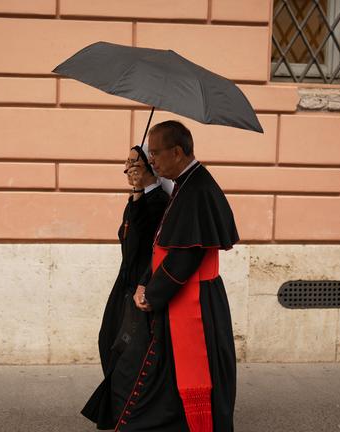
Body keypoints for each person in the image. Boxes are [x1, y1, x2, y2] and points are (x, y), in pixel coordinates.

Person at [114, 120, 240, 431]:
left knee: (193, 373)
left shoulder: (198, 189)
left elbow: (186, 255)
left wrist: (153, 295)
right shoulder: (187, 184)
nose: (151, 160)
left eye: (155, 153)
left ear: (178, 151)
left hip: (195, 300)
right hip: (181, 294)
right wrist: (146, 281)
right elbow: (162, 243)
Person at [81, 142, 170, 429]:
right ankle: (120, 405)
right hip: (125, 283)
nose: (128, 169)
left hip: (141, 286)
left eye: (134, 163)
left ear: (150, 166)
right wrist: (135, 193)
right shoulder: (138, 199)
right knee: (108, 340)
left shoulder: (158, 203)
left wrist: (139, 195)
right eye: (126, 163)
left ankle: (128, 410)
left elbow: (150, 246)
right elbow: (128, 238)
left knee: (130, 351)